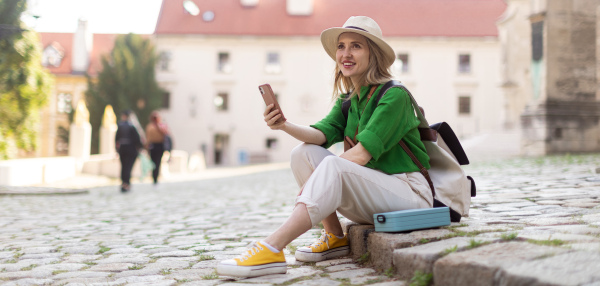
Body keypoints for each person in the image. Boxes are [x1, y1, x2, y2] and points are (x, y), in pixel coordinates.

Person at [216, 16, 432, 278]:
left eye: (356, 46)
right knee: (303, 153)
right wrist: (283, 125)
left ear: (373, 54)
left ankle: (272, 247)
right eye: (341, 46)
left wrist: (321, 180)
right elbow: (319, 135)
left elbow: (362, 155)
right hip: (378, 191)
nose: (345, 53)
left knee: (333, 164)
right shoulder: (349, 100)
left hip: (410, 194)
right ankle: (334, 236)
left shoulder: (394, 95)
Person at [115, 110, 142, 193]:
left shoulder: (120, 126)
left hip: (122, 149)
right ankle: (126, 183)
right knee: (128, 167)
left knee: (123, 167)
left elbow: (116, 139)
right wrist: (140, 147)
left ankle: (124, 183)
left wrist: (117, 150)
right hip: (131, 149)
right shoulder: (132, 126)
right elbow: (137, 139)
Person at [145, 111, 170, 185]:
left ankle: (156, 178)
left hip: (160, 145)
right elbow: (148, 137)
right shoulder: (149, 126)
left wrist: (158, 126)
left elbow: (165, 134)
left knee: (158, 162)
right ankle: (154, 177)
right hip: (152, 146)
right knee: (153, 163)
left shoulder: (162, 125)